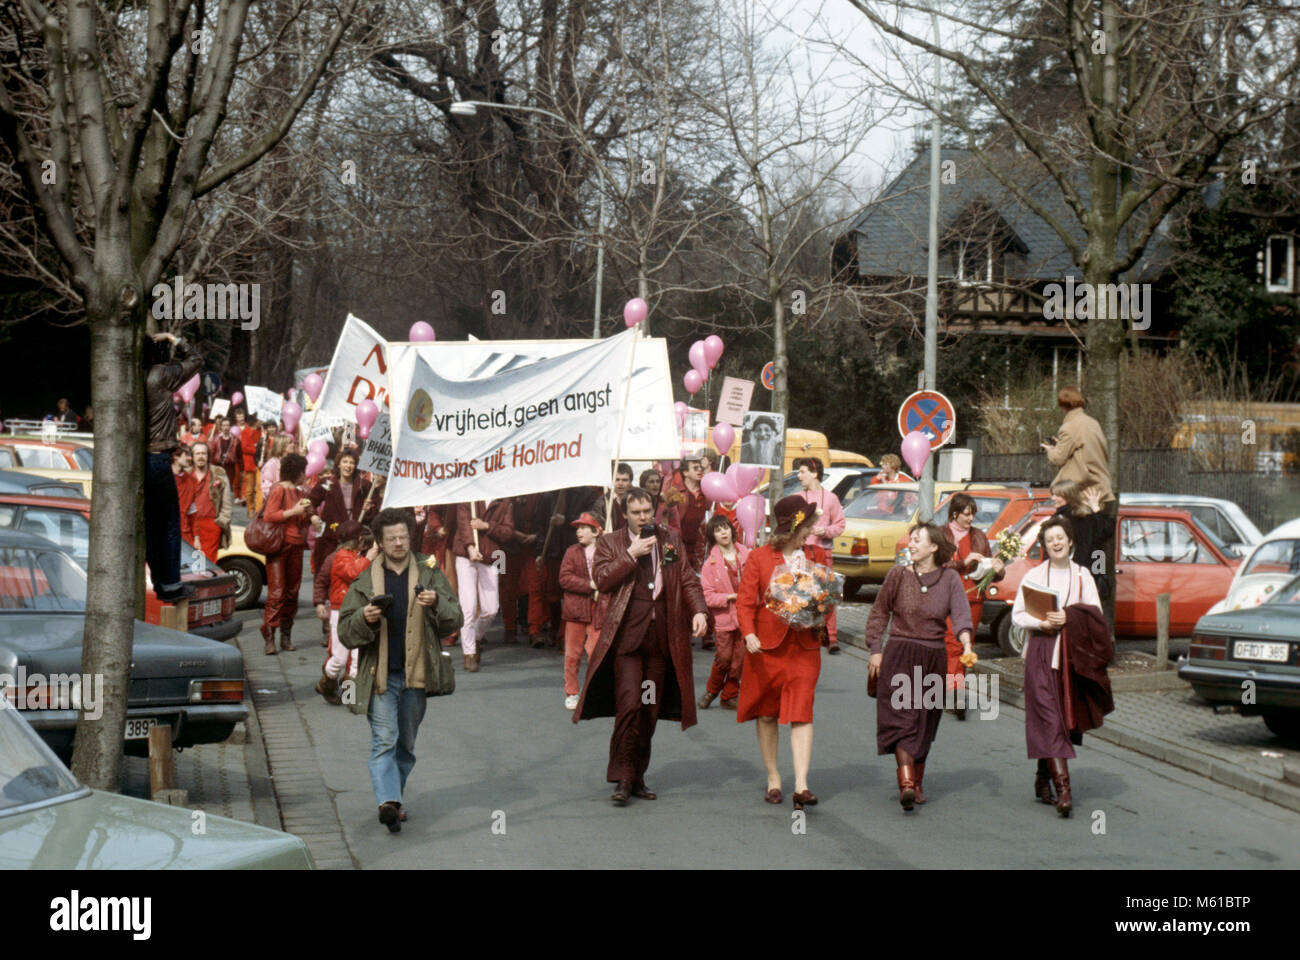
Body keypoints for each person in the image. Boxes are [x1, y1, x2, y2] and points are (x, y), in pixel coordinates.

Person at [573, 487, 709, 804]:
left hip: (659, 642)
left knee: (648, 709)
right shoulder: (611, 542)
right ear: (625, 514)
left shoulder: (669, 540)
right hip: (626, 643)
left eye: (647, 510)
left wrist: (700, 610)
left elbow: (685, 578)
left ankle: (637, 776)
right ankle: (621, 777)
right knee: (629, 705)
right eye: (636, 512)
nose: (643, 517)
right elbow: (603, 579)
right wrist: (631, 554)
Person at [338, 508, 463, 832]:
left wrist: (436, 604)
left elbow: (456, 618)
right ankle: (388, 803)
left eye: (403, 536)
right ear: (379, 541)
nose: (398, 542)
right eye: (391, 537)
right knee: (384, 740)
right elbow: (344, 632)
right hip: (378, 676)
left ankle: (395, 798)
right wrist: (362, 618)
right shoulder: (364, 580)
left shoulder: (430, 572)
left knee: (405, 745)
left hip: (416, 675)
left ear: (411, 537)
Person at [864, 522, 973, 810]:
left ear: (934, 547)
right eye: (910, 540)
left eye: (917, 540)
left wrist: (967, 643)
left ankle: (917, 781)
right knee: (902, 718)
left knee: (925, 721)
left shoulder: (950, 579)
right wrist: (875, 649)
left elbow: (961, 616)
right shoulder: (897, 575)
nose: (910, 544)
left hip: (932, 657)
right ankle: (907, 784)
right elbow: (879, 613)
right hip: (899, 654)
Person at [1013, 514, 1113, 817]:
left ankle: (1042, 778)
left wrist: (1070, 617)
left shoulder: (1083, 575)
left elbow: (1095, 616)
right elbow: (1019, 614)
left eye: (1060, 537)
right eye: (1049, 539)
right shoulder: (1034, 576)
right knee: (1049, 718)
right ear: (1044, 544)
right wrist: (1042, 621)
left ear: (1070, 541)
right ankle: (1065, 791)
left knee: (1060, 720)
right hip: (1041, 653)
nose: (1055, 543)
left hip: (1071, 657)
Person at [735, 496, 831, 810]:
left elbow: (829, 597)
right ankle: (774, 777)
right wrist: (748, 632)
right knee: (766, 713)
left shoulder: (816, 555)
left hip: (804, 647)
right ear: (790, 528)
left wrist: (822, 610)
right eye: (805, 527)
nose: (810, 533)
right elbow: (745, 601)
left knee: (802, 712)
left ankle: (802, 784)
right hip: (766, 647)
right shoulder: (760, 557)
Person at [144, 333, 202, 602]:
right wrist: (174, 339)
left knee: (154, 526)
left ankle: (161, 580)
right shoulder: (161, 375)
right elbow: (196, 359)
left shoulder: (137, 376)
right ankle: (169, 584)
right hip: (158, 457)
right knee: (169, 524)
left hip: (142, 459)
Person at [943, 493, 1005, 719]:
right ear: (955, 514)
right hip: (948, 598)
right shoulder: (942, 534)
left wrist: (997, 570)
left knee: (964, 646)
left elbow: (990, 571)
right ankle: (955, 692)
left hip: (973, 598)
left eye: (973, 514)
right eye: (967, 514)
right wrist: (962, 563)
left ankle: (953, 689)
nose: (971, 519)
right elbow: (936, 565)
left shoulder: (979, 536)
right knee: (953, 644)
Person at [315, 521, 379, 704]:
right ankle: (326, 682)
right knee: (340, 657)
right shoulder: (341, 556)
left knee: (357, 657)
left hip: (357, 610)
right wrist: (369, 558)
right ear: (358, 539)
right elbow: (352, 573)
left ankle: (348, 697)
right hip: (340, 611)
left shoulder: (353, 555)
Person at [451, 498, 515, 672]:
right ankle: (469, 652)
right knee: (468, 607)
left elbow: (509, 533)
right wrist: (471, 547)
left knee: (491, 609)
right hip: (465, 556)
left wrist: (486, 526)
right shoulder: (470, 495)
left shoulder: (505, 501)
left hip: (493, 555)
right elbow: (463, 523)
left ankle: (476, 637)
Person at [261, 453, 314, 655]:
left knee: (292, 592)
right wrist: (293, 511)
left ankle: (286, 635)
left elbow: (300, 521)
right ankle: (270, 636)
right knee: (276, 593)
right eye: (304, 471)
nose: (306, 475)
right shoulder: (279, 490)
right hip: (279, 547)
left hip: (296, 547)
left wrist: (309, 516)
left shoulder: (301, 494)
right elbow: (269, 516)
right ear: (297, 472)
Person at [794, 456, 846, 654]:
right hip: (803, 552)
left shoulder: (831, 498)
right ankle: (806, 633)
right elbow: (792, 525)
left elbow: (840, 524)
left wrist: (825, 531)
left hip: (823, 552)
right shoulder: (798, 498)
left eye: (803, 472)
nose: (799, 476)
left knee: (828, 594)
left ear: (815, 473)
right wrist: (801, 532)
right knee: (803, 593)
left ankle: (831, 636)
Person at [698, 514, 750, 711]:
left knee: (740, 659)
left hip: (745, 616)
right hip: (724, 619)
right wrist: (729, 597)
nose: (723, 532)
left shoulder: (746, 555)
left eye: (726, 528)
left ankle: (729, 695)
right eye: (718, 530)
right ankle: (712, 690)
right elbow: (708, 597)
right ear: (713, 535)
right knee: (725, 657)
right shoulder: (709, 565)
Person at [558, 513, 607, 710]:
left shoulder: (605, 552)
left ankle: (595, 691)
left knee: (597, 653)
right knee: (572, 655)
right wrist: (589, 585)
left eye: (584, 528)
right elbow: (564, 578)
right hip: (576, 610)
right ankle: (571, 692)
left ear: (596, 532)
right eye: (577, 528)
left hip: (598, 610)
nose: (579, 532)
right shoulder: (572, 552)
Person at [1049, 480, 1112, 603]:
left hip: (1071, 573)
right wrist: (1096, 509)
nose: (1053, 498)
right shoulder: (1086, 515)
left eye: (1057, 495)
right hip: (1088, 573)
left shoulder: (1061, 518)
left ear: (1068, 496)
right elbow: (1105, 534)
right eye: (1053, 494)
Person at [180, 440, 233, 562]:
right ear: (192, 457)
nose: (201, 457)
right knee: (189, 561)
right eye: (197, 454)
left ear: (208, 455)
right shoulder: (185, 474)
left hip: (211, 525)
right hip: (189, 526)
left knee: (208, 562)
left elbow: (227, 502)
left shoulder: (218, 474)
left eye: (204, 453)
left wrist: (221, 522)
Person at [665, 456, 709, 571]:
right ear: (685, 472)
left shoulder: (708, 491)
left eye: (701, 467)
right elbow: (666, 521)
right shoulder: (673, 492)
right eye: (695, 468)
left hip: (701, 548)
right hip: (679, 546)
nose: (700, 470)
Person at [260, 435, 294, 509]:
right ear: (282, 445)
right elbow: (266, 488)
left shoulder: (291, 462)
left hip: (290, 502)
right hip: (276, 505)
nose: (293, 445)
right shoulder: (271, 464)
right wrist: (281, 496)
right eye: (290, 443)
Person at [239, 415, 262, 507]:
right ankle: (250, 508)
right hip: (250, 462)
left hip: (259, 462)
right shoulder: (245, 431)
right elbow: (244, 448)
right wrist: (257, 449)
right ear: (256, 421)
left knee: (259, 486)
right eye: (261, 419)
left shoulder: (261, 431)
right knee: (250, 488)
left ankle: (258, 507)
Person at [609, 463, 634, 530]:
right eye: (617, 480)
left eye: (624, 480)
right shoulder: (604, 502)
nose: (620, 483)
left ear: (630, 482)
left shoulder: (638, 500)